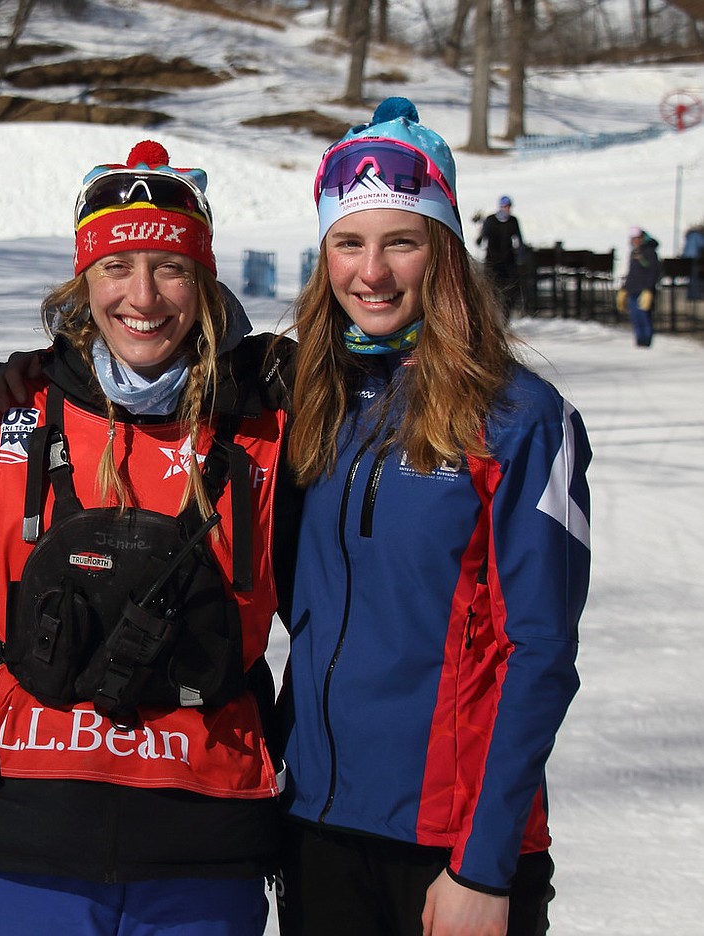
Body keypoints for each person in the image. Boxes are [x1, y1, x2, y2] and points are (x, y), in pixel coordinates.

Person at [0, 140, 290, 935]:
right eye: (115, 266)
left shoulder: (271, 417)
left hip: (205, 837)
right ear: (84, 282)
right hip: (30, 833)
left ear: (203, 283)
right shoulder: (10, 411)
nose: (143, 295)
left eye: (171, 267)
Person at [273, 97, 592, 936]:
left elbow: (542, 654)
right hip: (316, 826)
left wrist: (482, 868)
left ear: (445, 252)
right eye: (349, 242)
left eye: (401, 242)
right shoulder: (308, 396)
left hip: (454, 848)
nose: (370, 273)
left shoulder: (521, 417)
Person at [475, 195, 525, 316]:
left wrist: (520, 254)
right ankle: (492, 314)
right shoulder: (491, 220)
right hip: (492, 261)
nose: (507, 209)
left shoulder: (513, 221)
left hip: (508, 261)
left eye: (509, 206)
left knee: (509, 289)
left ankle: (506, 315)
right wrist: (480, 237)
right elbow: (482, 238)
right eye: (505, 206)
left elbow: (519, 240)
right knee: (493, 288)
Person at [618, 225, 662, 346]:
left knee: (644, 318)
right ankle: (639, 342)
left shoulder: (650, 252)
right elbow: (631, 273)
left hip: (644, 291)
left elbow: (654, 272)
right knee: (635, 318)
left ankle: (646, 342)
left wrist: (648, 289)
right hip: (632, 290)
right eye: (633, 238)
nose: (635, 241)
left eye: (637, 238)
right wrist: (625, 288)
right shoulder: (634, 252)